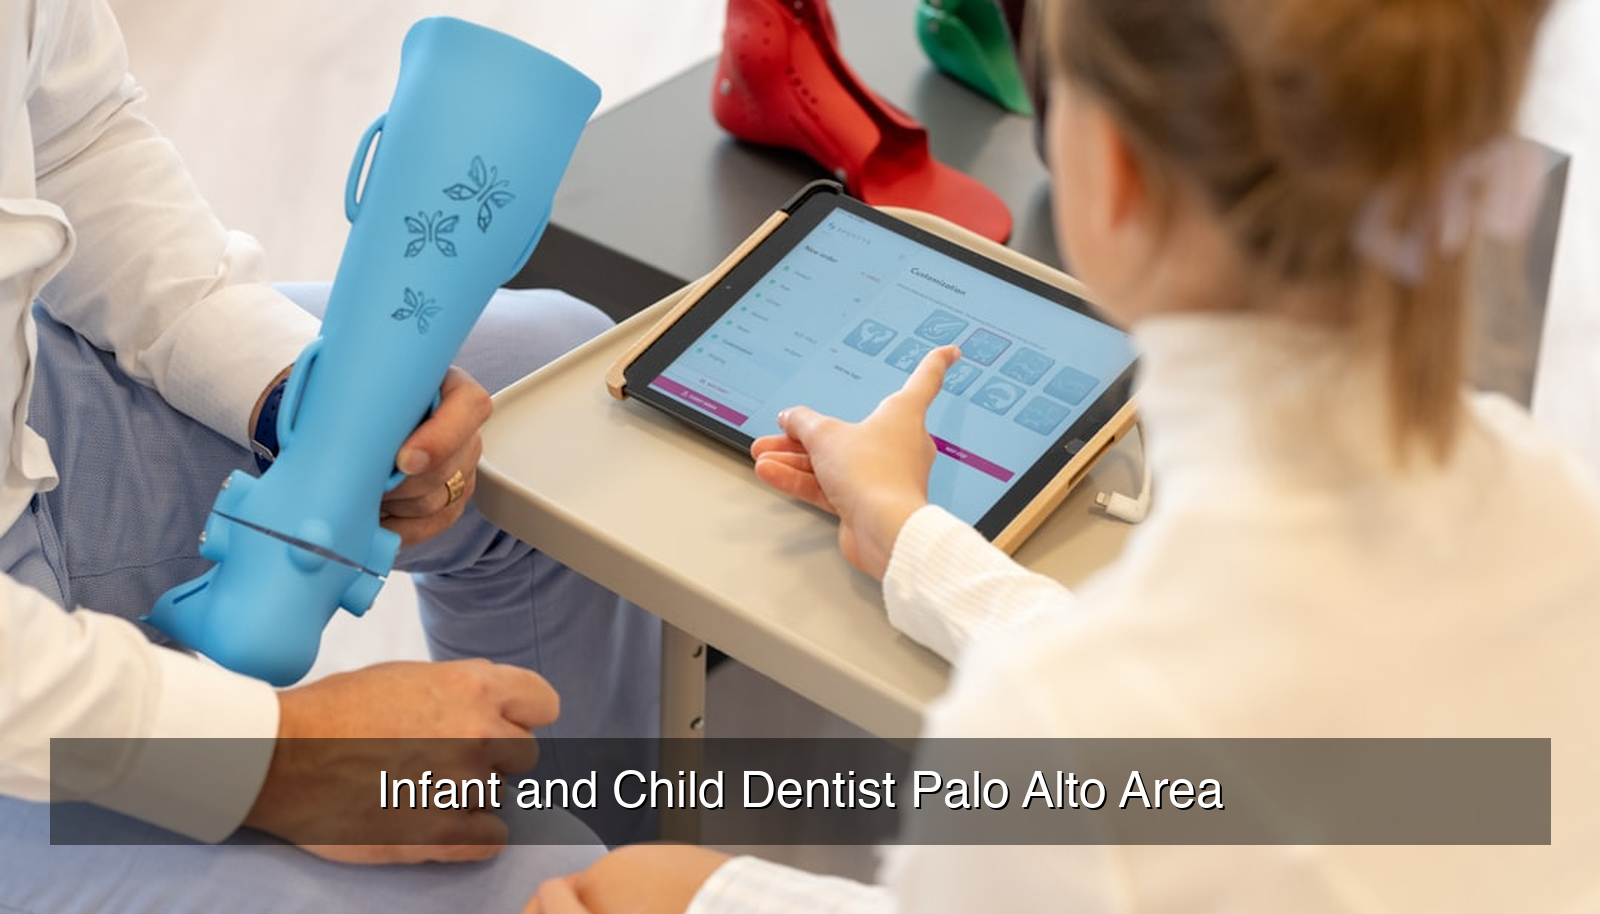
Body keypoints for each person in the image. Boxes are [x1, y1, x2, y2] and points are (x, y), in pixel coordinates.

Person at [525, 0, 1600, 911]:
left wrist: (709, 890)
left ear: (1112, 175)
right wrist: (913, 535)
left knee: (609, 888)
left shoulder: (1052, 738)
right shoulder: (1557, 508)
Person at [0, 0, 658, 910]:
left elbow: (70, 138)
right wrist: (271, 758)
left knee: (548, 396)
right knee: (541, 883)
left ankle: (629, 850)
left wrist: (301, 405)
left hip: (29, 422)